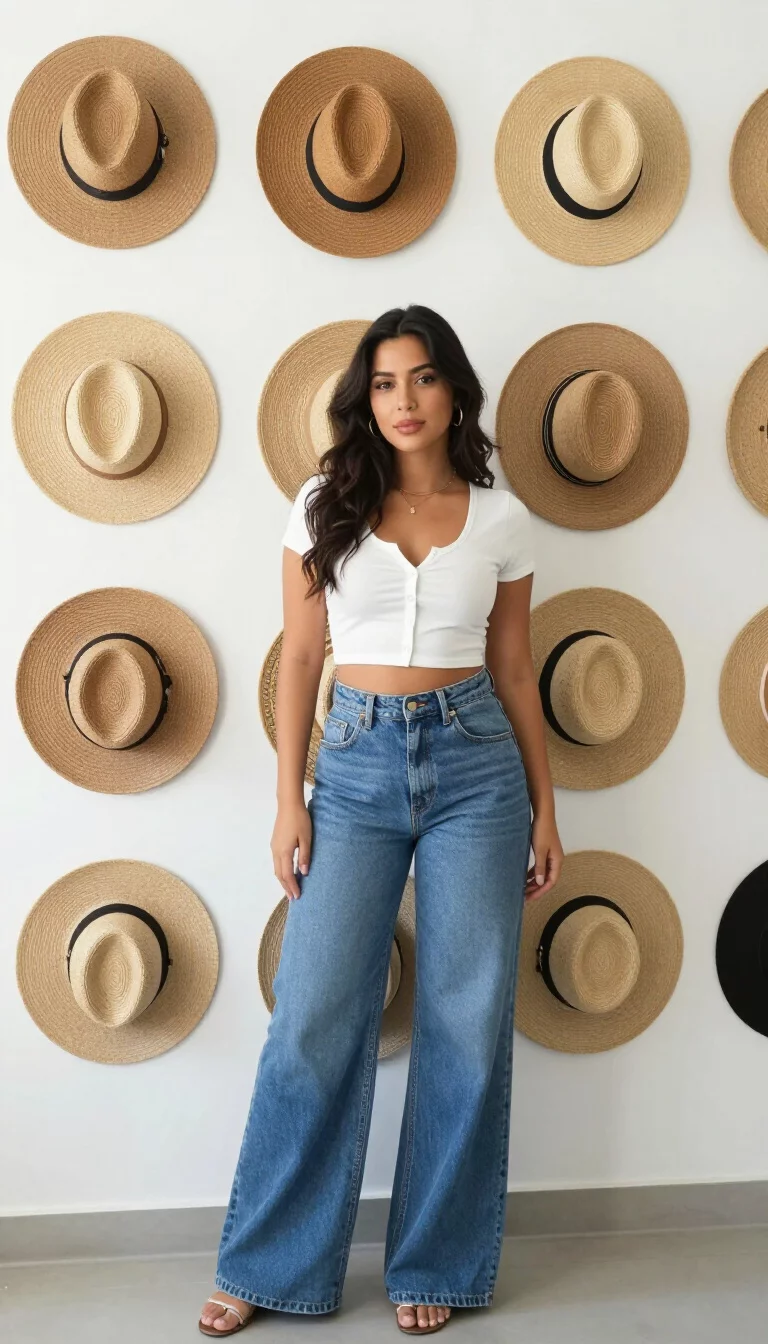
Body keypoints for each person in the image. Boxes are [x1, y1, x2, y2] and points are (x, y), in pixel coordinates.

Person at [199, 305, 563, 1337]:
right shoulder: (324, 504)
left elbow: (515, 670)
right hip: (354, 768)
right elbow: (299, 658)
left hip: (478, 769)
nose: (405, 400)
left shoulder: (501, 518)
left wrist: (546, 807)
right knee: (313, 1015)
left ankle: (435, 1262)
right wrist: (290, 797)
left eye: (424, 378)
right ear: (367, 396)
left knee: (466, 1021)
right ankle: (268, 1264)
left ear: (455, 392)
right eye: (387, 381)